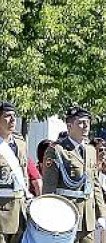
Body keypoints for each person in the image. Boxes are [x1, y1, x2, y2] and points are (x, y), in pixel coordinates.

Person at [43, 106, 106, 243]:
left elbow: (95, 184)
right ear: (69, 126)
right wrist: (48, 214)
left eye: (87, 123)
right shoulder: (57, 150)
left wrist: (101, 213)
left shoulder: (90, 150)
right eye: (81, 123)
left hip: (87, 216)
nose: (85, 127)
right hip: (66, 213)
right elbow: (49, 186)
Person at [0, 101, 28, 243]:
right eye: (7, 116)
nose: (12, 120)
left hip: (19, 211)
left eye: (14, 116)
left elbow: (24, 174)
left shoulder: (20, 143)